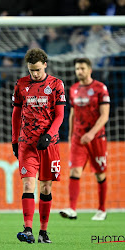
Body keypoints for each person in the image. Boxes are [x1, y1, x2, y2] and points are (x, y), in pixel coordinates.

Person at [12, 48, 65, 244]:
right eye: (30, 70)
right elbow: (16, 114)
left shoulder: (56, 84)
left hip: (49, 144)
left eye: (37, 70)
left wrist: (49, 135)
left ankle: (43, 232)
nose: (34, 74)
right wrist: (14, 140)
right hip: (27, 143)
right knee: (28, 184)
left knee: (45, 187)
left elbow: (60, 115)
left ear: (45, 65)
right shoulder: (21, 85)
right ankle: (28, 229)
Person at [60, 58, 110, 221]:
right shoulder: (74, 89)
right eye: (77, 69)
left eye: (82, 68)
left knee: (100, 174)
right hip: (78, 138)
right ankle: (72, 209)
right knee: (75, 171)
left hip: (96, 138)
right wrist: (70, 135)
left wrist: (92, 133)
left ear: (90, 70)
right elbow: (73, 113)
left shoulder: (100, 88)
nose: (79, 71)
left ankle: (102, 209)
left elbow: (104, 115)